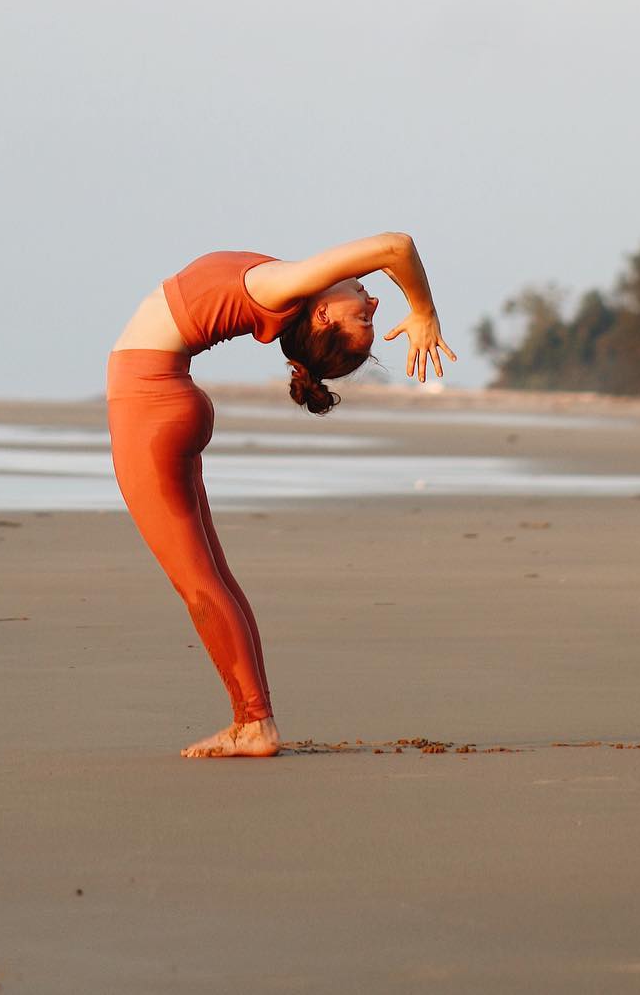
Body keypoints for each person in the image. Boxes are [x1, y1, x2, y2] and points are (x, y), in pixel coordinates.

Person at [106, 232, 456, 758]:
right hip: (167, 398)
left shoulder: (282, 287)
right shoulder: (286, 288)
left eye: (364, 319)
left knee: (199, 584)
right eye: (369, 316)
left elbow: (396, 248)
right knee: (215, 577)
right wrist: (411, 300)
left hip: (148, 407)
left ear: (321, 318)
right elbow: (389, 258)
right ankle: (253, 716)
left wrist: (423, 310)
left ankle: (254, 723)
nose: (374, 304)